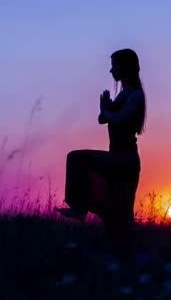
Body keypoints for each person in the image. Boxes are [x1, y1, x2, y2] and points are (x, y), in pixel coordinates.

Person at [55, 48, 146, 232]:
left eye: (114, 66)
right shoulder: (123, 94)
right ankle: (122, 249)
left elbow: (120, 117)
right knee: (117, 212)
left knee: (76, 158)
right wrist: (105, 108)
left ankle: (79, 208)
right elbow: (102, 119)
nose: (111, 71)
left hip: (124, 159)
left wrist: (106, 109)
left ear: (125, 68)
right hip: (117, 155)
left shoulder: (136, 95)